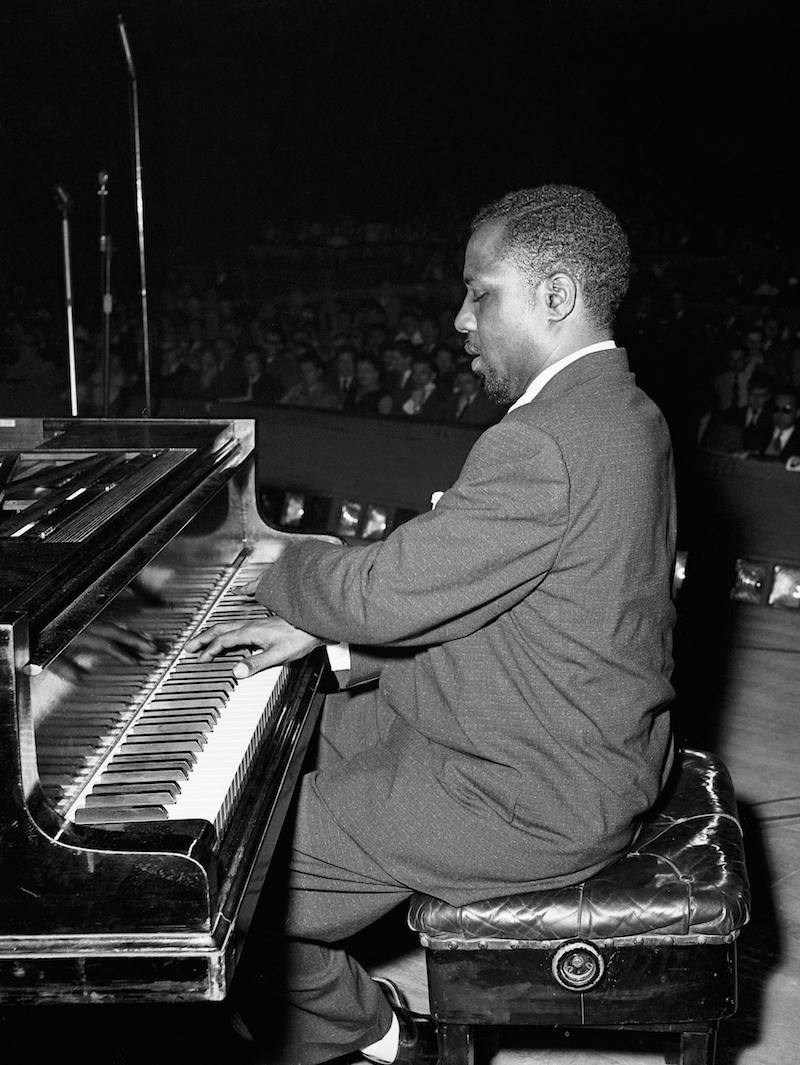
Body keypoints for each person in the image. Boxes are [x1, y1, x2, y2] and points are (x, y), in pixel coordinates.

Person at [186, 184, 677, 1065]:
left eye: (480, 292)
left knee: (223, 879)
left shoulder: (548, 443)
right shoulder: (619, 411)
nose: (459, 318)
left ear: (555, 296)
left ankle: (376, 1033)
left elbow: (384, 588)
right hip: (548, 729)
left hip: (528, 789)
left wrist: (262, 564)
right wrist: (331, 644)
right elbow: (493, 594)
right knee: (284, 737)